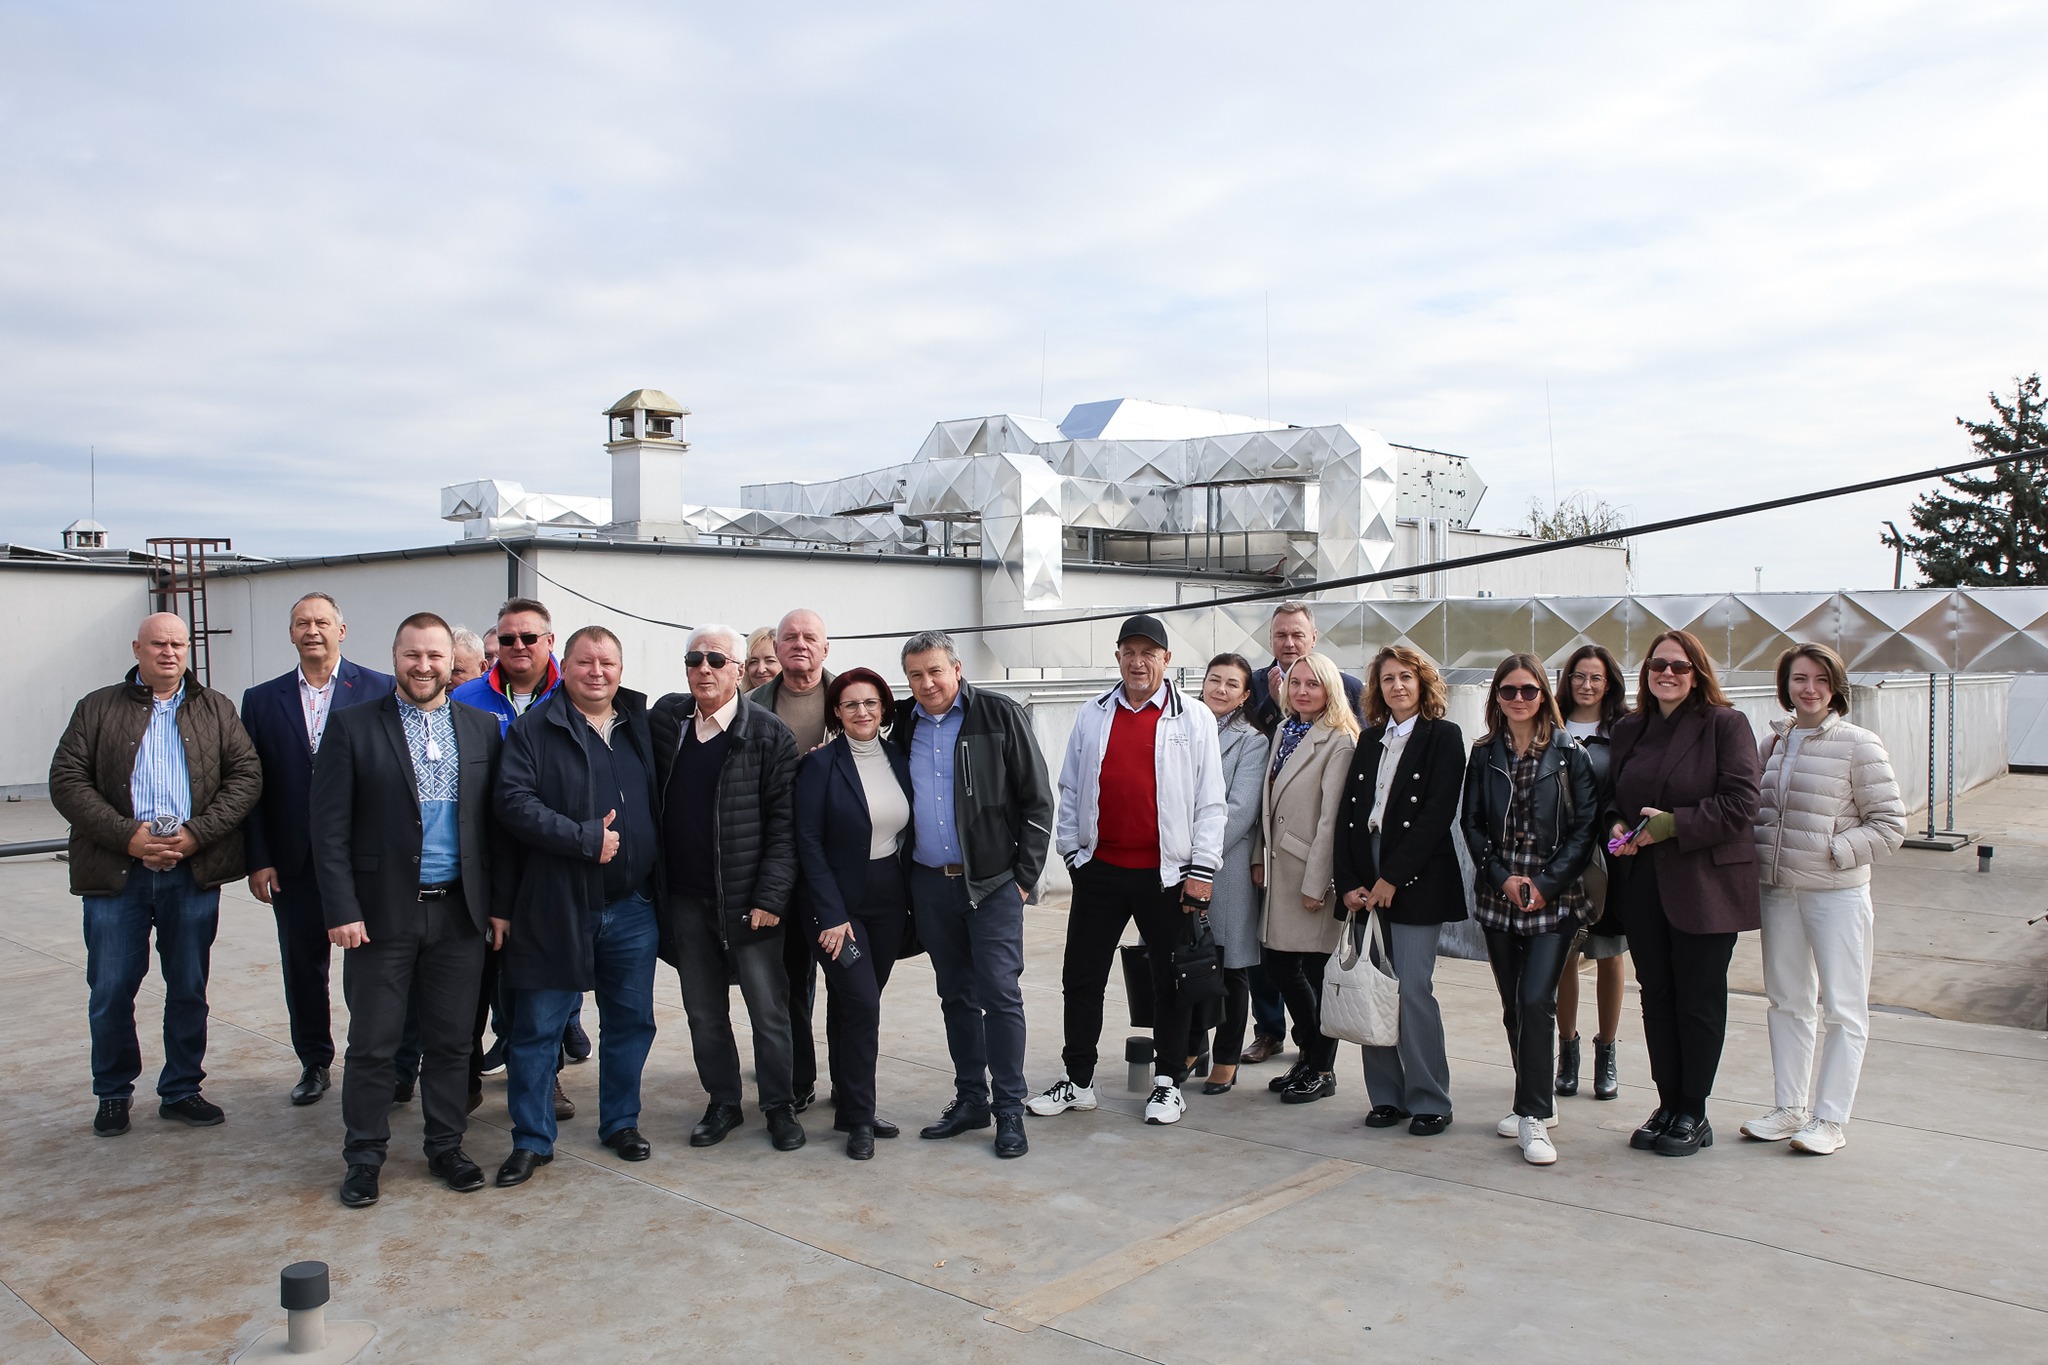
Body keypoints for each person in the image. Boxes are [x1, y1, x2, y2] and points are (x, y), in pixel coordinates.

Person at [310, 613, 505, 1207]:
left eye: (435, 656)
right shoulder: (351, 726)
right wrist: (342, 909)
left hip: (459, 914)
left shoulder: (481, 728)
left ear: (451, 662)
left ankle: (446, 1146)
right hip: (379, 916)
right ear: (394, 657)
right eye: (412, 655)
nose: (424, 666)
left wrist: (498, 906)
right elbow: (328, 829)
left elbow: (494, 827)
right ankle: (364, 1156)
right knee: (374, 1044)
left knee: (452, 1042)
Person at [49, 612, 263, 1137]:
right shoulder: (97, 707)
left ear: (188, 650)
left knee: (188, 986)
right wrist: (129, 837)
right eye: (158, 644)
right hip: (117, 872)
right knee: (111, 988)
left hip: (191, 872)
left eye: (177, 644)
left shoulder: (216, 708)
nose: (169, 653)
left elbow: (245, 776)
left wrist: (195, 835)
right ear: (136, 649)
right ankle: (113, 1093)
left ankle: (182, 1088)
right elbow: (67, 780)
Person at [1037, 614, 1226, 1128]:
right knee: (1081, 978)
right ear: (1118, 656)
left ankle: (1168, 1083)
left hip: (1168, 877)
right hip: (1100, 871)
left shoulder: (1194, 717)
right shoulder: (1093, 713)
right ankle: (1077, 1081)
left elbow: (1211, 802)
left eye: (1149, 653)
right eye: (1129, 652)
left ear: (1167, 659)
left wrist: (1202, 870)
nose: (1138, 662)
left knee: (1171, 982)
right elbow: (1070, 788)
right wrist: (1072, 854)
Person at [493, 626, 664, 1186]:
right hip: (556, 907)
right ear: (562, 667)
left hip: (632, 907)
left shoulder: (640, 724)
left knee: (630, 1023)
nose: (597, 672)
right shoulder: (534, 729)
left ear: (621, 669)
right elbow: (512, 803)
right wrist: (583, 839)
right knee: (538, 1029)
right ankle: (532, 1139)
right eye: (585, 662)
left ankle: (620, 1122)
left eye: (607, 662)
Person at [1741, 643, 1905, 1156]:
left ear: (1836, 688)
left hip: (1836, 894)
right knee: (1787, 1001)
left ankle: (1830, 1118)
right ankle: (1789, 1108)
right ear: (1785, 686)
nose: (1809, 689)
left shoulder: (1859, 744)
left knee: (1844, 1008)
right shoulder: (1774, 744)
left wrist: (1832, 852)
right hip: (1779, 892)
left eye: (1819, 679)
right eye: (1799, 679)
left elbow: (1889, 825)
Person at [896, 631, 1054, 1159]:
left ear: (957, 669)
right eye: (916, 675)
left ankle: (1009, 1109)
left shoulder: (998, 714)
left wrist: (1023, 878)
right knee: (955, 996)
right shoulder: (903, 723)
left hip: (992, 885)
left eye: (935, 671)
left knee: (1000, 995)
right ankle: (971, 1100)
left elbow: (1037, 800)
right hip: (929, 883)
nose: (927, 683)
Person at [1607, 629, 1762, 1158]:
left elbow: (1742, 803)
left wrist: (1672, 825)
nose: (1667, 674)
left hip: (1704, 888)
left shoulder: (1725, 724)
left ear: (1697, 673)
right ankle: (1667, 1103)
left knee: (1698, 1001)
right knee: (1657, 998)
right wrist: (1616, 826)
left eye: (1678, 666)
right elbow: (1613, 798)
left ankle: (1694, 1110)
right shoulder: (1630, 728)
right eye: (1658, 665)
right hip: (1643, 886)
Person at [651, 624, 805, 1151]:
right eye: (694, 660)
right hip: (685, 899)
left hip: (749, 903)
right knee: (703, 1012)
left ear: (739, 670)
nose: (704, 669)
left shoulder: (768, 734)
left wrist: (770, 897)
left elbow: (786, 827)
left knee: (769, 1011)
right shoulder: (668, 723)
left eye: (716, 660)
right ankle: (723, 1103)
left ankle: (779, 1106)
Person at [240, 592, 395, 1107]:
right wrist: (259, 857)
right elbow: (251, 786)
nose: (313, 631)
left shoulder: (379, 688)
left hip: (365, 860)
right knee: (303, 967)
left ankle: (379, 1061)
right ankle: (314, 1061)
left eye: (322, 622)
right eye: (302, 623)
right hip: (293, 861)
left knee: (373, 968)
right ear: (291, 633)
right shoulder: (261, 700)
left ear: (341, 630)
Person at [1462, 654, 1598, 1166]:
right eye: (1508, 691)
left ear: (1544, 694)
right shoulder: (1484, 753)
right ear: (1496, 697)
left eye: (1528, 690)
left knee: (1536, 997)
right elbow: (1472, 823)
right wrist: (1501, 876)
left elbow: (1585, 829)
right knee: (1512, 1004)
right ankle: (1534, 1096)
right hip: (1500, 894)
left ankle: (1534, 1115)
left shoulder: (1569, 753)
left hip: (1553, 898)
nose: (1518, 699)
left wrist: (1544, 884)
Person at [452, 597, 583, 1109]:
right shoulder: (466, 698)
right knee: (472, 982)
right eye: (508, 639)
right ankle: (462, 1081)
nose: (519, 646)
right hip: (480, 864)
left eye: (530, 637)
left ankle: (546, 1077)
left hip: (550, 861)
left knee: (543, 985)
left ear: (550, 641)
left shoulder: (574, 694)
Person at [1332, 645, 1465, 1137]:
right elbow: (1349, 815)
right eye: (1388, 678)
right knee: (1374, 985)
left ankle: (1430, 1098)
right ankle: (1387, 1097)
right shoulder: (1369, 739)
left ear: (1423, 682)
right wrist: (1348, 882)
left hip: (1416, 877)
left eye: (1406, 676)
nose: (1397, 686)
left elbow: (1436, 815)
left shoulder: (1444, 737)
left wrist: (1393, 878)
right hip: (1365, 872)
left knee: (1411, 990)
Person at [793, 669, 916, 1159]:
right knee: (863, 1004)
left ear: (884, 708)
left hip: (888, 900)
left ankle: (847, 1103)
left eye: (870, 703)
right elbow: (808, 842)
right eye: (850, 705)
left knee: (853, 1004)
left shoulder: (900, 759)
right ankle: (861, 1119)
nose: (861, 712)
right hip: (836, 907)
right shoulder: (819, 765)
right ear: (836, 714)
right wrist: (830, 914)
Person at [1242, 601, 1363, 1063]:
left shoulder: (1341, 734)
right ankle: (1300, 1050)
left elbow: (1333, 817)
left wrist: (1319, 882)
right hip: (1277, 866)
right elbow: (1266, 801)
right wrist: (1258, 854)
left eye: (1313, 684)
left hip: (1309, 869)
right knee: (1277, 962)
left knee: (1309, 970)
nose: (1303, 690)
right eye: (1296, 684)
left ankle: (1317, 1061)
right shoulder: (1284, 727)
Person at [747, 608, 836, 1111]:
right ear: (776, 648)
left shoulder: (850, 697)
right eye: (790, 637)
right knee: (788, 982)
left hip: (838, 865)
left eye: (809, 637)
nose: (799, 644)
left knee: (847, 982)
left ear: (825, 648)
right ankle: (798, 1081)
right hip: (778, 864)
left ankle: (851, 1087)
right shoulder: (751, 706)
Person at [1186, 653, 1269, 1095]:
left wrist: (1197, 856)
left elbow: (1239, 811)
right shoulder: (1180, 727)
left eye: (1231, 684)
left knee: (1230, 968)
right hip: (1176, 862)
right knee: (1185, 962)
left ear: (1244, 695)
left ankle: (1227, 1057)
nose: (1220, 689)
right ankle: (1191, 1046)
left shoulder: (1251, 741)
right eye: (1214, 680)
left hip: (1226, 867)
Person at [1554, 644, 1627, 1101]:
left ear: (1609, 683)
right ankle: (1568, 1050)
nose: (1586, 685)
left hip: (1608, 855)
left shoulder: (1623, 730)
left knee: (1609, 953)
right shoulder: (1552, 723)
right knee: (1563, 954)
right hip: (1559, 856)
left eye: (1596, 677)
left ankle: (1607, 1052)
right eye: (1579, 676)